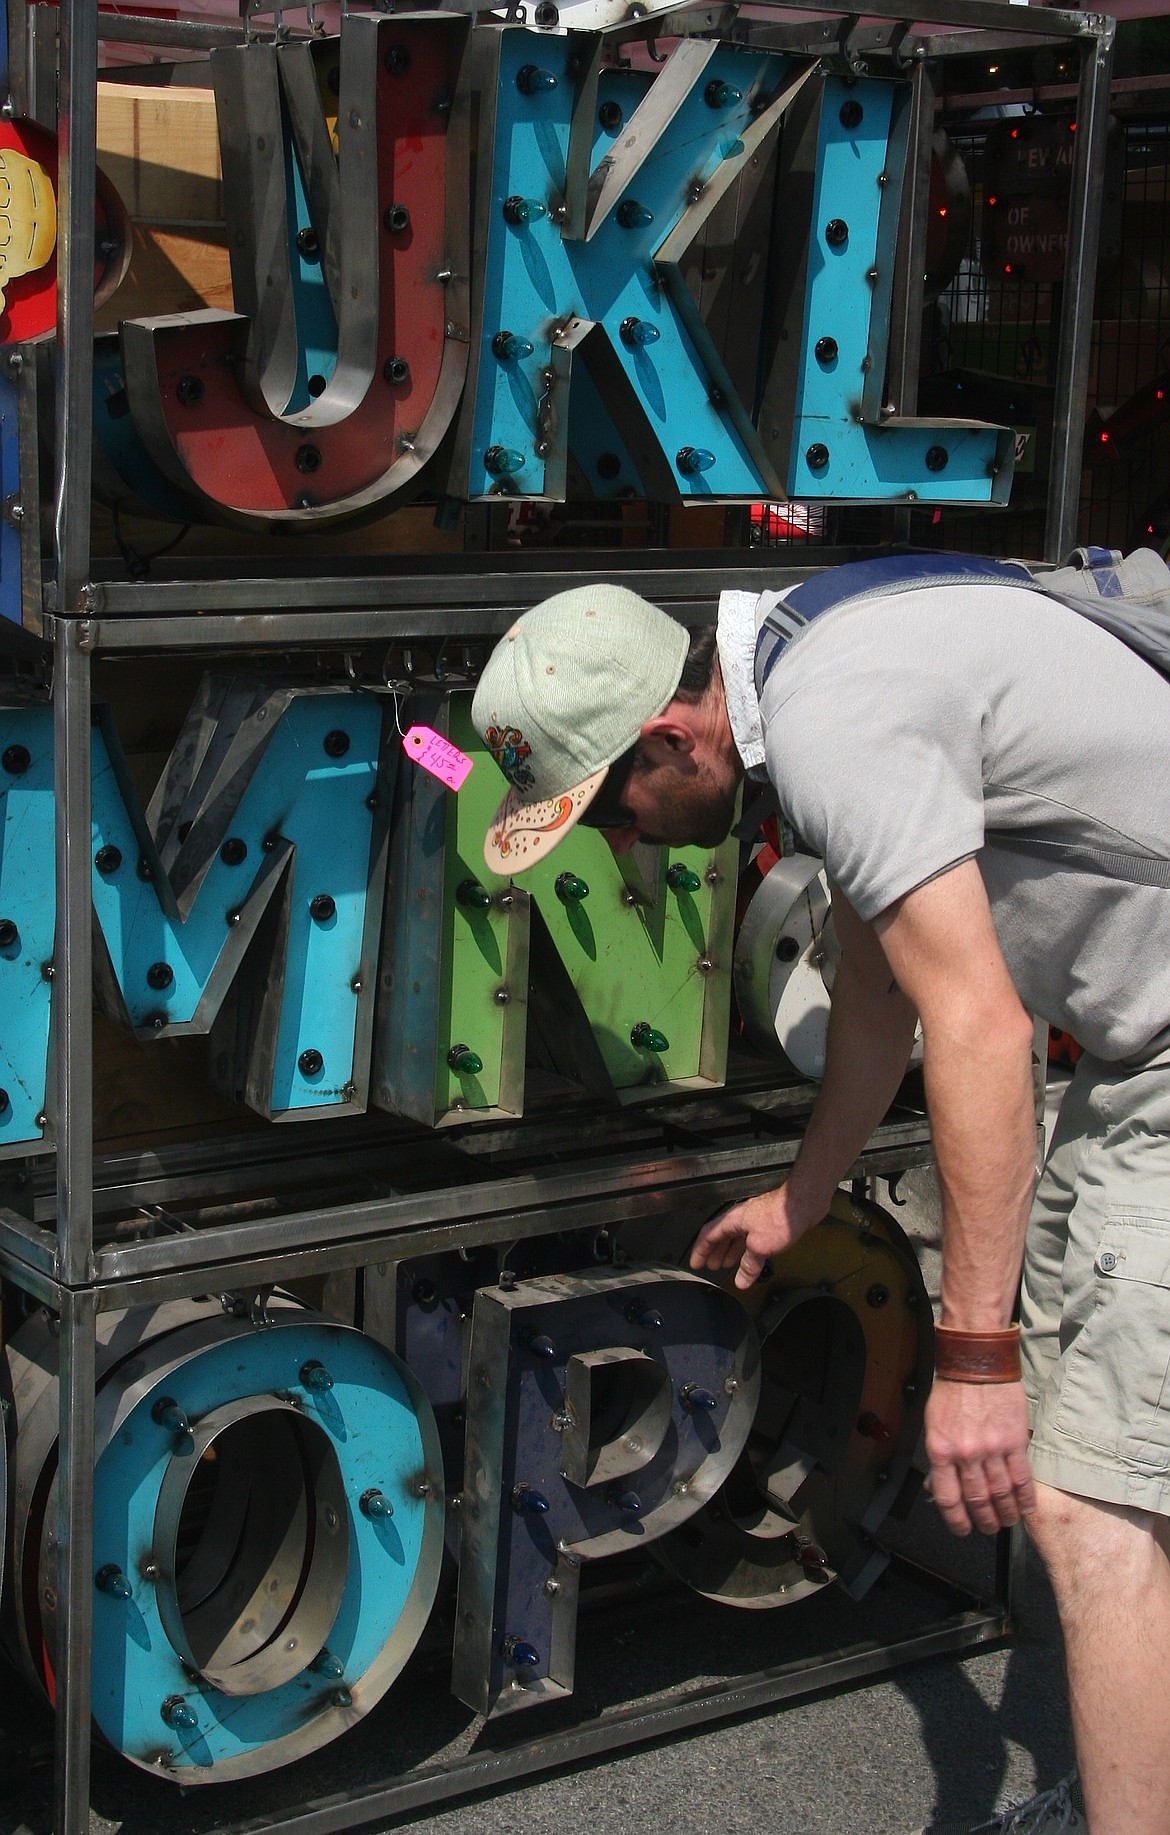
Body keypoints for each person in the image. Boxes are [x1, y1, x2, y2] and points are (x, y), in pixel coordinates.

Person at [471, 566, 1170, 1835]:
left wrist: (970, 1352)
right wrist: (805, 1194)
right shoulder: (807, 652)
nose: (623, 840)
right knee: (1113, 1451)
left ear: (673, 737)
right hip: (1134, 1047)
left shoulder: (837, 720)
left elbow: (974, 1020)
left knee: (1090, 1501)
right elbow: (875, 987)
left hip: (1159, 1046)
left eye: (613, 805)